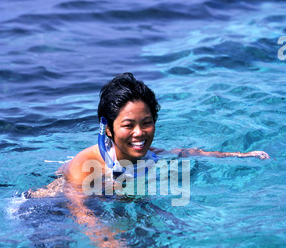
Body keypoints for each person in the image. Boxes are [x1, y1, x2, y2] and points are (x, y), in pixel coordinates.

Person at [64, 72, 270, 189]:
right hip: (52, 213)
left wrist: (241, 155)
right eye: (128, 125)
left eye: (146, 122)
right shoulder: (87, 164)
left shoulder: (152, 154)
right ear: (108, 129)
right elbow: (80, 210)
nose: (139, 132)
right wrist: (108, 246)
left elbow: (187, 152)